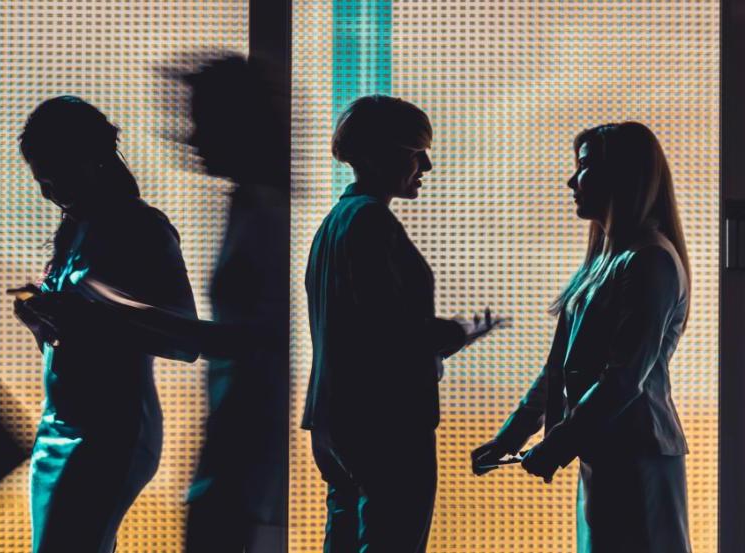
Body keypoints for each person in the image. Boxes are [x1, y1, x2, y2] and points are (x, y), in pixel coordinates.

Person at [472, 122, 692, 553]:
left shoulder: (650, 262)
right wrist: (510, 438)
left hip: (638, 455)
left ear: (622, 175)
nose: (572, 180)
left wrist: (556, 443)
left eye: (584, 166)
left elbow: (624, 378)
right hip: (611, 454)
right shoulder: (606, 262)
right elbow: (558, 367)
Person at [303, 95, 504, 552]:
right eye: (416, 151)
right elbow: (391, 333)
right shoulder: (374, 224)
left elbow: (357, 326)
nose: (426, 165)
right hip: (385, 420)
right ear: (379, 155)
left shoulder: (332, 225)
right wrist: (456, 332)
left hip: (334, 417)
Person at [12, 96, 199, 553]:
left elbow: (185, 338)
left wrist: (92, 314)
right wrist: (41, 323)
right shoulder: (75, 231)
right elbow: (75, 343)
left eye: (54, 177)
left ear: (92, 160)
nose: (48, 192)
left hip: (110, 428)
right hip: (58, 424)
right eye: (41, 181)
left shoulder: (144, 228)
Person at [172, 52, 288, 553]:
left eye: (202, 122)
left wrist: (119, 314)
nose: (191, 137)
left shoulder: (262, 213)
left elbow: (253, 339)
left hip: (238, 449)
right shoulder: (251, 205)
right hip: (234, 446)